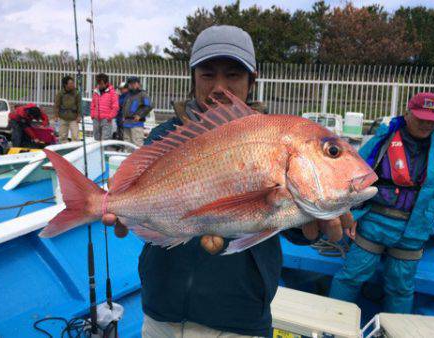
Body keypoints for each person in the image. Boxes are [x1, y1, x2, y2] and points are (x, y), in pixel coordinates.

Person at [102, 25, 353, 338]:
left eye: (233, 75)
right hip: (162, 312)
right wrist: (124, 208)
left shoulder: (275, 138)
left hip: (240, 317)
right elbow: (150, 212)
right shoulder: (164, 137)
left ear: (252, 80)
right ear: (192, 78)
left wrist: (310, 228)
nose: (219, 87)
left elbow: (284, 223)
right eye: (208, 75)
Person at [329, 92, 434, 314]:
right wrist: (350, 216)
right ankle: (331, 326)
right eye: (420, 118)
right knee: (351, 276)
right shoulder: (384, 140)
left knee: (401, 288)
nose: (426, 124)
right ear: (407, 113)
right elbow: (354, 177)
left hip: (415, 228)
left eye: (432, 120)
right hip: (374, 222)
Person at [121, 76, 152, 146]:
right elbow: (124, 107)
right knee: (127, 144)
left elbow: (149, 105)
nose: (132, 85)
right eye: (130, 84)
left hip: (136, 124)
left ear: (138, 84)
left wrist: (140, 115)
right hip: (126, 123)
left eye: (134, 83)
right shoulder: (128, 95)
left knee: (137, 144)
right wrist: (123, 117)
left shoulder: (142, 94)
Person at [90, 73, 118, 141]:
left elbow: (115, 106)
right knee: (96, 139)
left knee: (105, 139)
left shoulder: (112, 93)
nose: (100, 85)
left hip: (106, 119)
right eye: (98, 83)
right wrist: (92, 115)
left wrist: (109, 117)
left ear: (106, 83)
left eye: (102, 84)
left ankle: (104, 151)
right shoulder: (96, 92)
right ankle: (97, 151)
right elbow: (93, 105)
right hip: (96, 119)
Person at [53, 75, 81, 143]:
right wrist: (56, 116)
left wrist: (79, 116)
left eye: (73, 83)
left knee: (75, 136)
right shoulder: (60, 93)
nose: (72, 85)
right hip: (63, 117)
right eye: (70, 83)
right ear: (66, 85)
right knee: (62, 136)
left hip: (73, 118)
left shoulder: (76, 93)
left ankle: (76, 149)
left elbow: (79, 105)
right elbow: (57, 105)